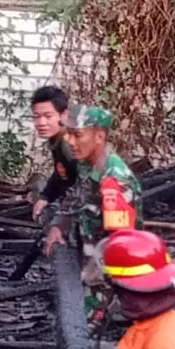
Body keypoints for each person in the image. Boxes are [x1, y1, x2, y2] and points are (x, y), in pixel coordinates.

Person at [43, 104, 142, 257]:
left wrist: (93, 273)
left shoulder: (114, 180)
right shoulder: (86, 164)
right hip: (89, 256)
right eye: (68, 134)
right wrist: (59, 226)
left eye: (78, 135)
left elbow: (121, 242)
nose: (69, 141)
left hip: (111, 270)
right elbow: (74, 199)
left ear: (99, 137)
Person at [29, 85, 78, 224]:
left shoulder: (71, 143)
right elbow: (61, 172)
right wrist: (45, 197)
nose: (41, 123)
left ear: (64, 115)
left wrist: (61, 220)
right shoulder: (57, 137)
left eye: (48, 116)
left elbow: (87, 184)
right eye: (37, 117)